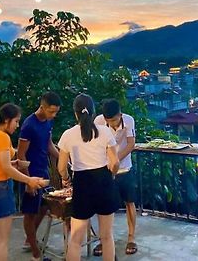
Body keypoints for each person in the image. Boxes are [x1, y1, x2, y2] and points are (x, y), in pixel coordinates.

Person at [0, 103, 48, 261]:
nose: (17, 125)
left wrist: (14, 163)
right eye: (16, 121)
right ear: (6, 120)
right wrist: (29, 180)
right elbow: (5, 167)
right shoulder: (3, 137)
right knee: (2, 241)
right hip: (0, 188)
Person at [57, 93, 120, 261]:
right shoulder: (105, 131)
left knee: (75, 240)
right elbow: (115, 162)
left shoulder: (68, 135)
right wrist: (112, 175)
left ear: (75, 113)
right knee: (106, 236)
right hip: (104, 182)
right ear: (93, 112)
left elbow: (61, 167)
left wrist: (66, 179)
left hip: (82, 183)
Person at [17, 91, 62, 260]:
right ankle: (36, 252)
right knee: (29, 212)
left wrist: (63, 157)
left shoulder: (48, 122)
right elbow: (21, 154)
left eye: (56, 112)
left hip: (43, 170)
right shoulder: (29, 125)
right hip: (30, 172)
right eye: (51, 111)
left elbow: (49, 144)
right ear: (42, 107)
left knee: (45, 207)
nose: (54, 115)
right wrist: (28, 180)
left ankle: (30, 239)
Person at [93, 99, 138, 256]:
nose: (111, 123)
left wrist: (115, 160)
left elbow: (131, 144)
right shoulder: (98, 121)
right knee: (104, 206)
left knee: (129, 202)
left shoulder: (128, 120)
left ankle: (131, 237)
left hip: (125, 168)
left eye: (113, 120)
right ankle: (103, 239)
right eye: (108, 121)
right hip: (105, 169)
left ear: (120, 114)